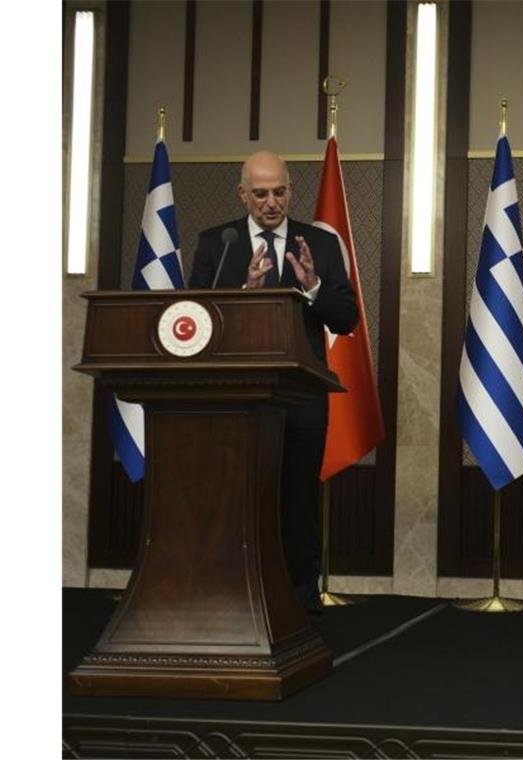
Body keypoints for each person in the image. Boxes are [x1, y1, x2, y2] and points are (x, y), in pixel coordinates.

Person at [188, 150, 358, 613]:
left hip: (301, 400)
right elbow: (193, 322)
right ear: (243, 194)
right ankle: (233, 603)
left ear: (290, 190)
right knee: (237, 502)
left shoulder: (317, 245)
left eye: (279, 192)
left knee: (298, 506)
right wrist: (244, 295)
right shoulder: (216, 244)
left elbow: (347, 320)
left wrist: (313, 288)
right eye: (260, 193)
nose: (270, 202)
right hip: (236, 401)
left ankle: (299, 609)